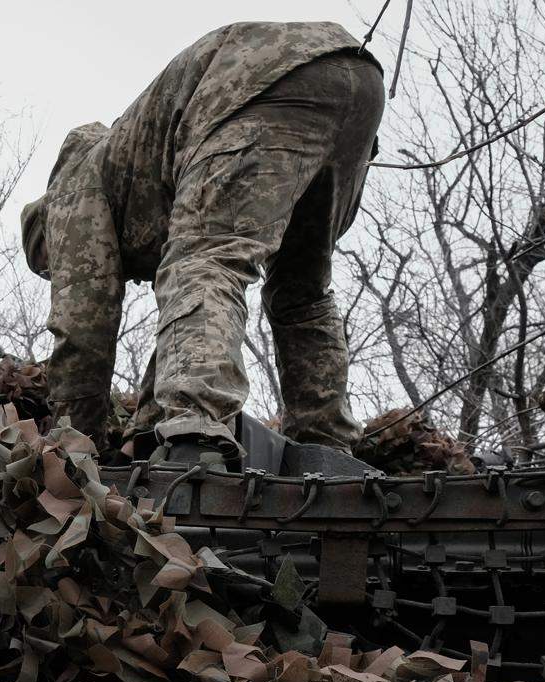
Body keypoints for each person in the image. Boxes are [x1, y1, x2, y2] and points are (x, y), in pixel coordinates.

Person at [20, 21, 386, 465]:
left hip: (261, 83)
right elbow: (186, 326)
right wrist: (144, 429)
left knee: (208, 258)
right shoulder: (132, 171)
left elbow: (84, 333)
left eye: (52, 268)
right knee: (302, 290)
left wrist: (75, 447)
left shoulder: (71, 193)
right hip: (355, 84)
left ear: (46, 241)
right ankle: (326, 446)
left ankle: (197, 424)